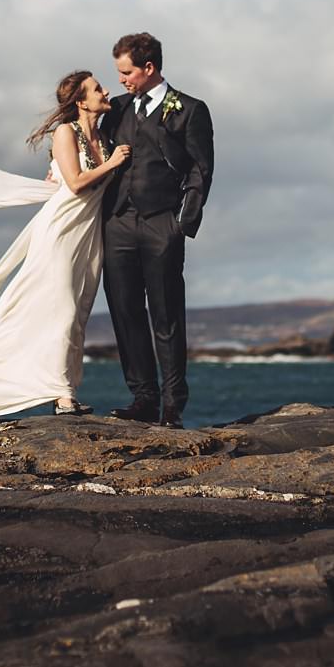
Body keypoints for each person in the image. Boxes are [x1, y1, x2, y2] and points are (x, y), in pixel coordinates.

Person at [0, 71, 130, 422]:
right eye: (98, 88)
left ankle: (60, 391)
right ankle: (62, 396)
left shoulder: (103, 135)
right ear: (81, 101)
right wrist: (113, 163)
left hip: (87, 235)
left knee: (77, 314)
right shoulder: (64, 132)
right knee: (62, 310)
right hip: (59, 232)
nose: (106, 91)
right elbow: (74, 183)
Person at [100, 32, 214, 429]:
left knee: (166, 316)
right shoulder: (114, 110)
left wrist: (182, 224)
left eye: (126, 72)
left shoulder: (189, 109)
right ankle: (142, 398)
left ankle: (172, 405)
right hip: (116, 223)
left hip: (162, 224)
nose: (121, 80)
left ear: (149, 68)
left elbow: (201, 170)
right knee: (125, 311)